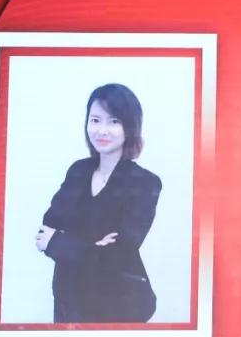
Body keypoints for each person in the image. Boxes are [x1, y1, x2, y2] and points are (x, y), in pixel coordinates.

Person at [36, 83, 161, 323]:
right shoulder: (78, 171)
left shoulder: (145, 182)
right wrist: (93, 248)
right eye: (95, 120)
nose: (102, 130)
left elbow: (119, 254)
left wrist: (59, 242)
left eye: (114, 121)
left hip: (117, 303)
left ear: (130, 126)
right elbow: (46, 230)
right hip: (67, 299)